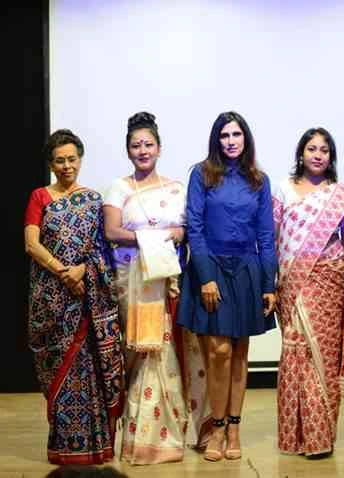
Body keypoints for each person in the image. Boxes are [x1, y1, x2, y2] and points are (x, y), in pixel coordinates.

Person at [104, 112, 203, 464]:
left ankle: (169, 437)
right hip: (131, 281)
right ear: (128, 151)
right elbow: (112, 231)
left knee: (168, 350)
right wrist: (155, 237)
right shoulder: (119, 187)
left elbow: (187, 230)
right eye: (136, 145)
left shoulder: (175, 189)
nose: (143, 150)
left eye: (148, 144)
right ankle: (136, 438)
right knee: (138, 354)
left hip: (168, 281)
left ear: (159, 148)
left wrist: (175, 234)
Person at [178, 111, 277, 461]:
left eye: (237, 134)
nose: (231, 141)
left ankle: (234, 428)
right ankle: (216, 428)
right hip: (212, 268)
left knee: (239, 353)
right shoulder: (201, 173)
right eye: (225, 135)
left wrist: (268, 283)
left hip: (248, 269)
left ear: (245, 139)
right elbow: (195, 227)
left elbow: (266, 235)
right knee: (219, 351)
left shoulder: (259, 180)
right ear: (216, 140)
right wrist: (205, 276)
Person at [25, 129, 124, 464]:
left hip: (87, 300)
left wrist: (82, 270)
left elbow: (103, 251)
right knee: (58, 371)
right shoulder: (40, 197)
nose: (66, 166)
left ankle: (96, 446)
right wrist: (63, 272)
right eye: (59, 160)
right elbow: (31, 244)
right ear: (50, 164)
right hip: (52, 302)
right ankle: (64, 446)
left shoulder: (94, 201)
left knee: (90, 370)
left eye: (71, 159)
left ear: (80, 159)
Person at [273, 127, 344, 457]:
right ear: (301, 153)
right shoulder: (283, 189)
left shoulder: (340, 194)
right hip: (292, 283)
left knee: (323, 357)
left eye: (324, 150)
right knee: (296, 351)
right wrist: (270, 284)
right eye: (312, 149)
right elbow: (273, 238)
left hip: (330, 280)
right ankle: (295, 436)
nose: (317, 155)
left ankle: (320, 437)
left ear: (331, 157)